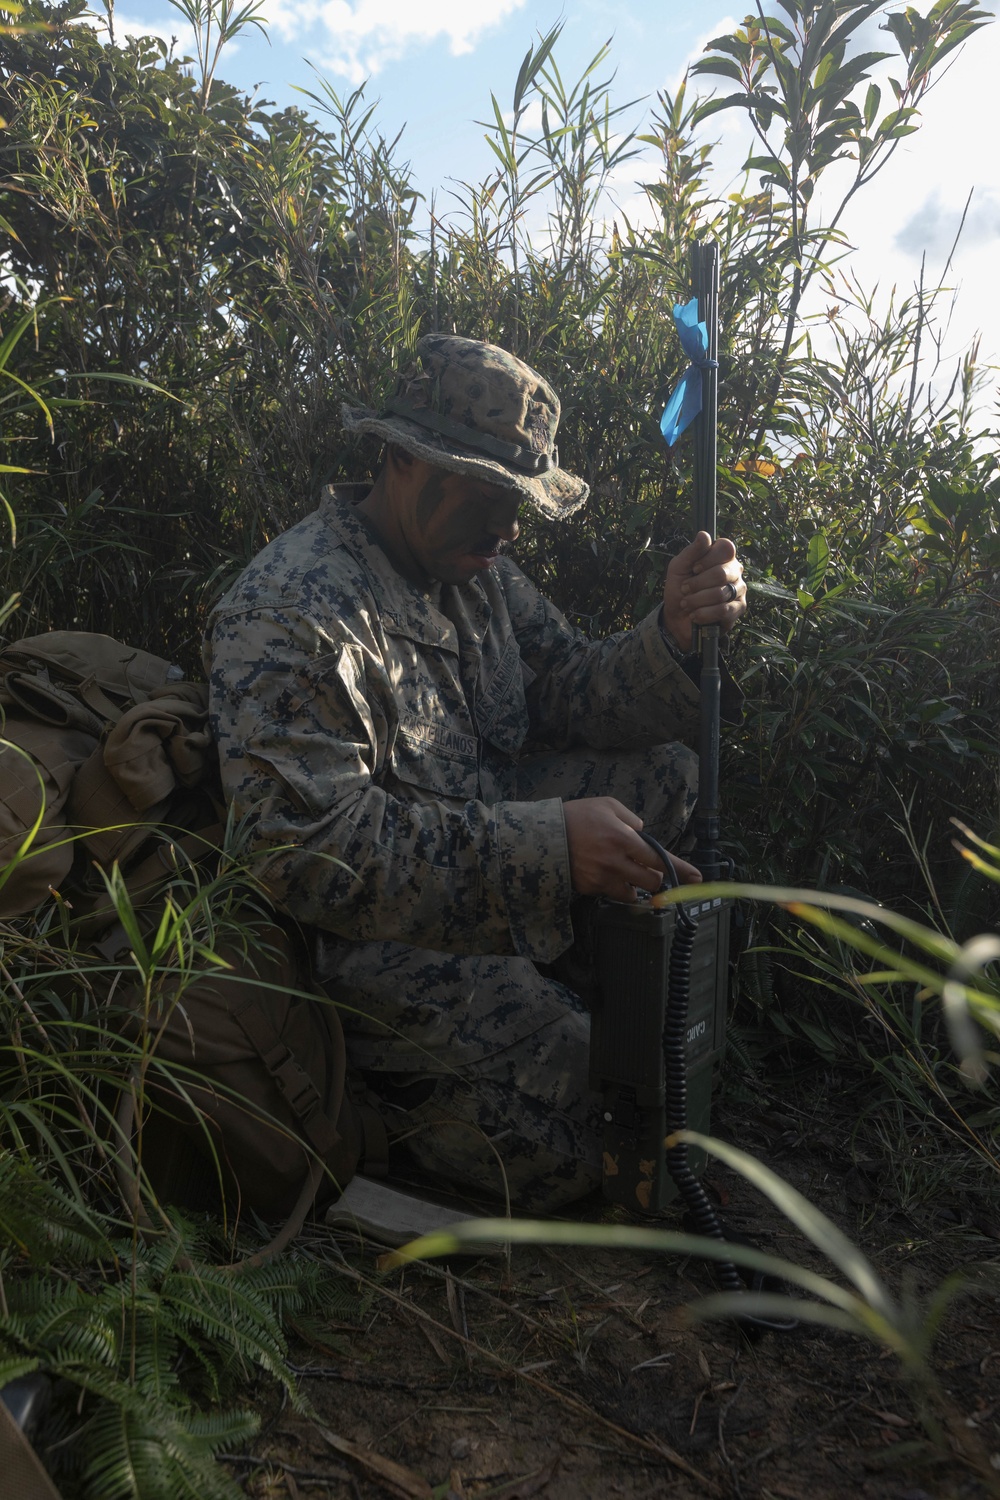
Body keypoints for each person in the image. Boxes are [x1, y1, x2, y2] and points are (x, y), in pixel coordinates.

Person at [204, 335, 747, 1212]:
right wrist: (551, 854)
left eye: (519, 498)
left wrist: (675, 630)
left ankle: (574, 996)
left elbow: (571, 688)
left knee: (667, 778)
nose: (509, 525)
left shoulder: (477, 571)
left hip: (481, 872)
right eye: (490, 492)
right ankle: (377, 1104)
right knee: (604, 1149)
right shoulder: (293, 610)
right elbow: (306, 854)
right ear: (403, 460)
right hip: (364, 944)